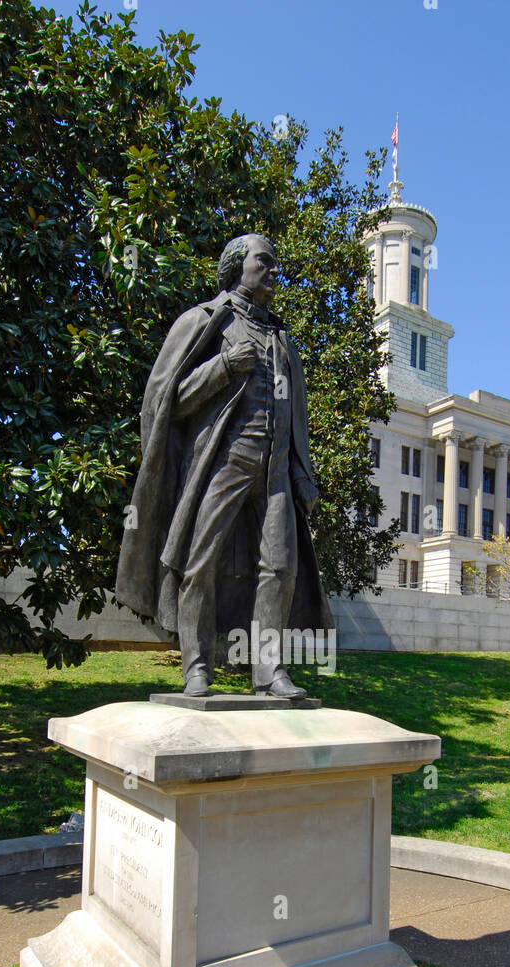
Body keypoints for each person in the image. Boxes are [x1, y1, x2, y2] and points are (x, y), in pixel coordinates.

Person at [115, 233, 331, 697]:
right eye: (265, 262)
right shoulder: (205, 322)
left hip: (274, 472)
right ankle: (196, 667)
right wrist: (225, 367)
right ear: (238, 266)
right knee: (202, 561)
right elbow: (166, 401)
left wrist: (300, 473)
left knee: (280, 567)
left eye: (277, 264)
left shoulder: (281, 340)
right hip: (224, 462)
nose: (275, 271)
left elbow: (294, 419)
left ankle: (270, 672)